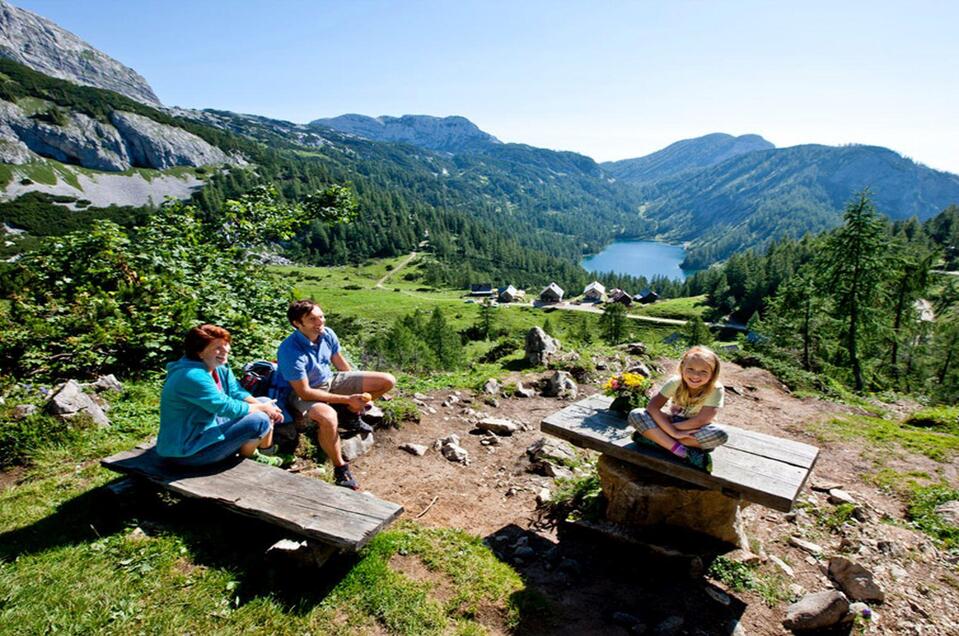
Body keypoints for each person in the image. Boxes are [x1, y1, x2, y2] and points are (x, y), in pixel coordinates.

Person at [276, 299, 396, 490]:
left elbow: (340, 365)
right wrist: (347, 399)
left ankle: (349, 414)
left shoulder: (326, 333)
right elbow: (304, 392)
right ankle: (340, 468)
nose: (320, 322)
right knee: (329, 417)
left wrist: (355, 394)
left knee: (387, 380)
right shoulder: (290, 350)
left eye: (321, 317)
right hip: (301, 393)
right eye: (313, 319)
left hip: (330, 380)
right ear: (297, 324)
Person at [158, 324, 285, 467]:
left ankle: (265, 451)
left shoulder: (217, 365)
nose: (225, 351)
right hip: (187, 452)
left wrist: (264, 406)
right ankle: (249, 457)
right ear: (199, 352)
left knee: (266, 401)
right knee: (259, 419)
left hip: (206, 430)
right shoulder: (191, 376)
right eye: (217, 347)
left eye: (226, 345)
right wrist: (262, 409)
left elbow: (236, 391)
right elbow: (225, 407)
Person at [627, 346, 729, 471]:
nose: (695, 375)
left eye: (703, 372)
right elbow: (652, 407)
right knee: (636, 414)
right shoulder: (676, 382)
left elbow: (701, 420)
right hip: (672, 422)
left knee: (720, 434)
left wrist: (667, 429)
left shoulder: (715, 389)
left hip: (694, 428)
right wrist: (674, 432)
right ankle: (681, 451)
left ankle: (655, 439)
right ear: (682, 368)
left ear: (713, 374)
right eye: (690, 369)